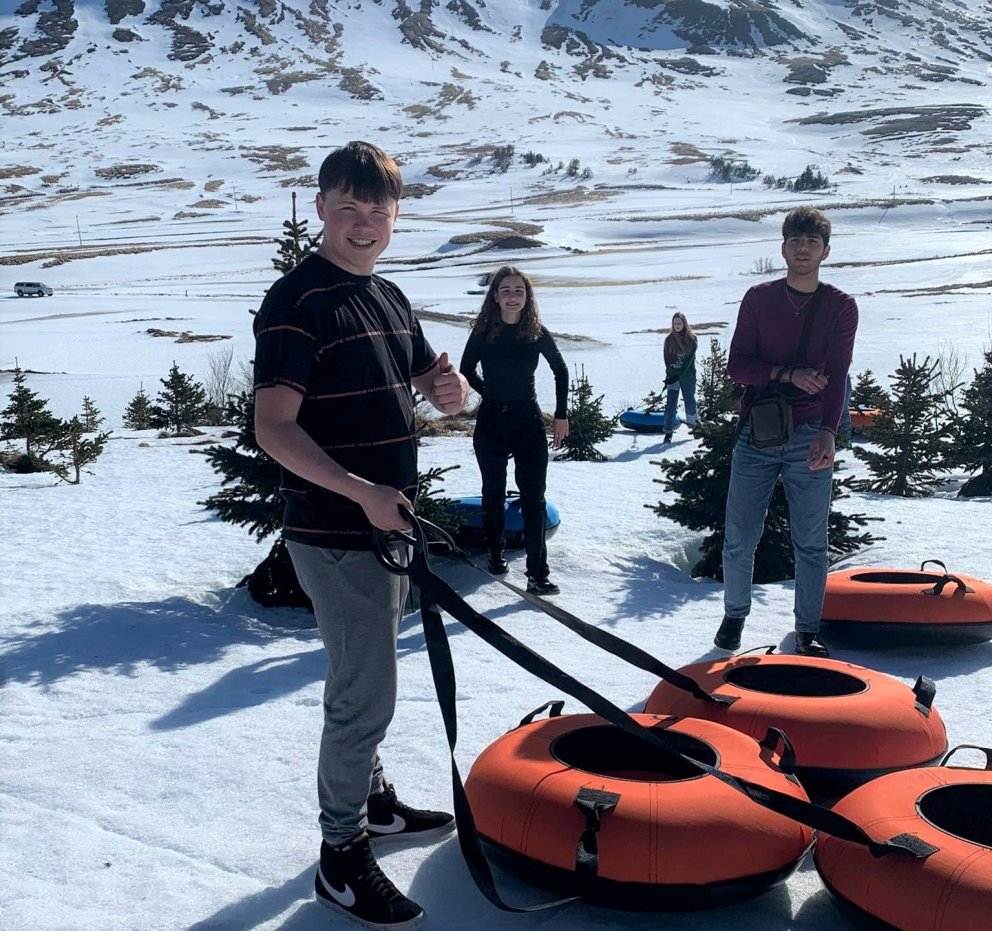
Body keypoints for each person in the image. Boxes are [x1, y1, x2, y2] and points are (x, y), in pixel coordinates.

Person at [253, 141, 470, 930]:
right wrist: (359, 492)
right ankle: (340, 856)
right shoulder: (297, 302)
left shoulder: (384, 293)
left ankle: (371, 802)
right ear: (320, 208)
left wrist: (448, 389)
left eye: (379, 210)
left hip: (382, 526)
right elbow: (272, 426)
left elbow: (428, 384)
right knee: (365, 691)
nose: (365, 224)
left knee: (360, 680)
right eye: (349, 208)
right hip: (337, 530)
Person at [715, 207, 858, 658]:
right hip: (758, 432)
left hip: (812, 431)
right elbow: (737, 366)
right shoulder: (759, 299)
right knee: (740, 532)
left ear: (825, 251)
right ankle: (734, 615)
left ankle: (808, 631)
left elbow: (839, 374)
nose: (802, 248)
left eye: (811, 242)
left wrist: (829, 433)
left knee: (811, 540)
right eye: (795, 241)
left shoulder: (840, 306)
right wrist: (786, 374)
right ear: (782, 248)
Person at [459, 266, 569, 596]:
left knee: (533, 499)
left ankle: (538, 574)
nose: (512, 296)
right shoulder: (483, 331)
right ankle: (496, 554)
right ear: (495, 296)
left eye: (518, 291)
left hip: (528, 421)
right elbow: (465, 371)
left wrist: (561, 416)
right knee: (493, 493)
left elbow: (560, 370)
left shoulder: (535, 331)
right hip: (492, 421)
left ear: (527, 296)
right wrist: (489, 392)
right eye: (505, 290)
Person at [662, 311, 698, 443]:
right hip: (672, 377)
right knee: (671, 404)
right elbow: (667, 359)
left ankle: (694, 427)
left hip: (688, 376)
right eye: (675, 323)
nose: (677, 325)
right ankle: (668, 431)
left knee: (689, 401)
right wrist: (670, 373)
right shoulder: (669, 340)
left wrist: (679, 375)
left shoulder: (692, 339)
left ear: (684, 323)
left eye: (679, 323)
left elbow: (689, 361)